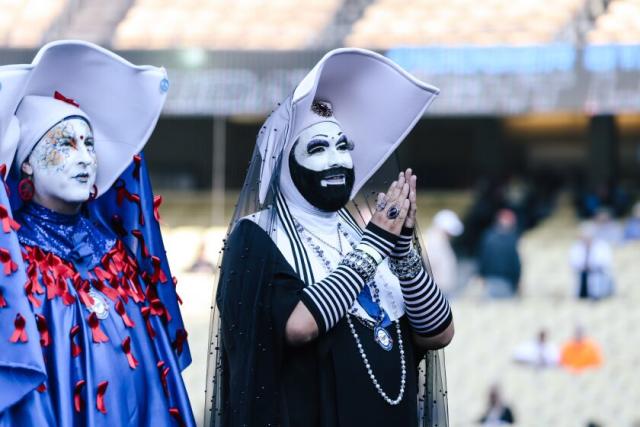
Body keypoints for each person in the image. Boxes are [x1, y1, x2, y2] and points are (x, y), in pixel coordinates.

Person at [206, 49, 454, 427]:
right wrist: (373, 246)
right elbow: (298, 326)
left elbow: (438, 332)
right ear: (285, 163)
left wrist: (402, 251)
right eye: (318, 149)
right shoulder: (257, 235)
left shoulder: (364, 233)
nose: (336, 160)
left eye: (343, 147)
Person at [0, 41, 194, 426]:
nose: (86, 158)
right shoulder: (16, 269)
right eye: (65, 145)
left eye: (89, 144)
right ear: (26, 165)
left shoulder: (118, 258)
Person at [478, 209, 521, 298]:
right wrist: (517, 280)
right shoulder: (512, 239)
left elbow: (482, 258)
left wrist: (481, 274)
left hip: (490, 280)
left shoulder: (488, 237)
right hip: (506, 282)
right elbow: (515, 262)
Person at [569, 223, 614, 300]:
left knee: (597, 284)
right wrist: (583, 266)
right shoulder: (576, 247)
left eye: (588, 237)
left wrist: (592, 266)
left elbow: (605, 262)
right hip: (582, 273)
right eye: (584, 237)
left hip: (598, 273)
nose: (586, 239)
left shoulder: (602, 246)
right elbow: (573, 262)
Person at [424, 209, 464, 296]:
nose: (451, 235)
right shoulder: (433, 242)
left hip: (443, 290)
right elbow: (430, 266)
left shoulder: (441, 241)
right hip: (438, 290)